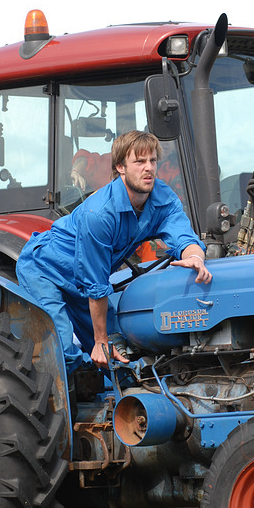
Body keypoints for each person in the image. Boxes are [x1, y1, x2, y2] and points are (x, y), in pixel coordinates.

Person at [16, 130, 212, 373]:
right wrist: (99, 341)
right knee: (64, 353)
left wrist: (195, 257)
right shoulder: (99, 214)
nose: (148, 168)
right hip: (45, 269)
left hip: (83, 283)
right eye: (139, 162)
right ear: (121, 167)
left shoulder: (163, 198)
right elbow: (96, 283)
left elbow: (183, 236)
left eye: (152, 161)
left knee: (122, 357)